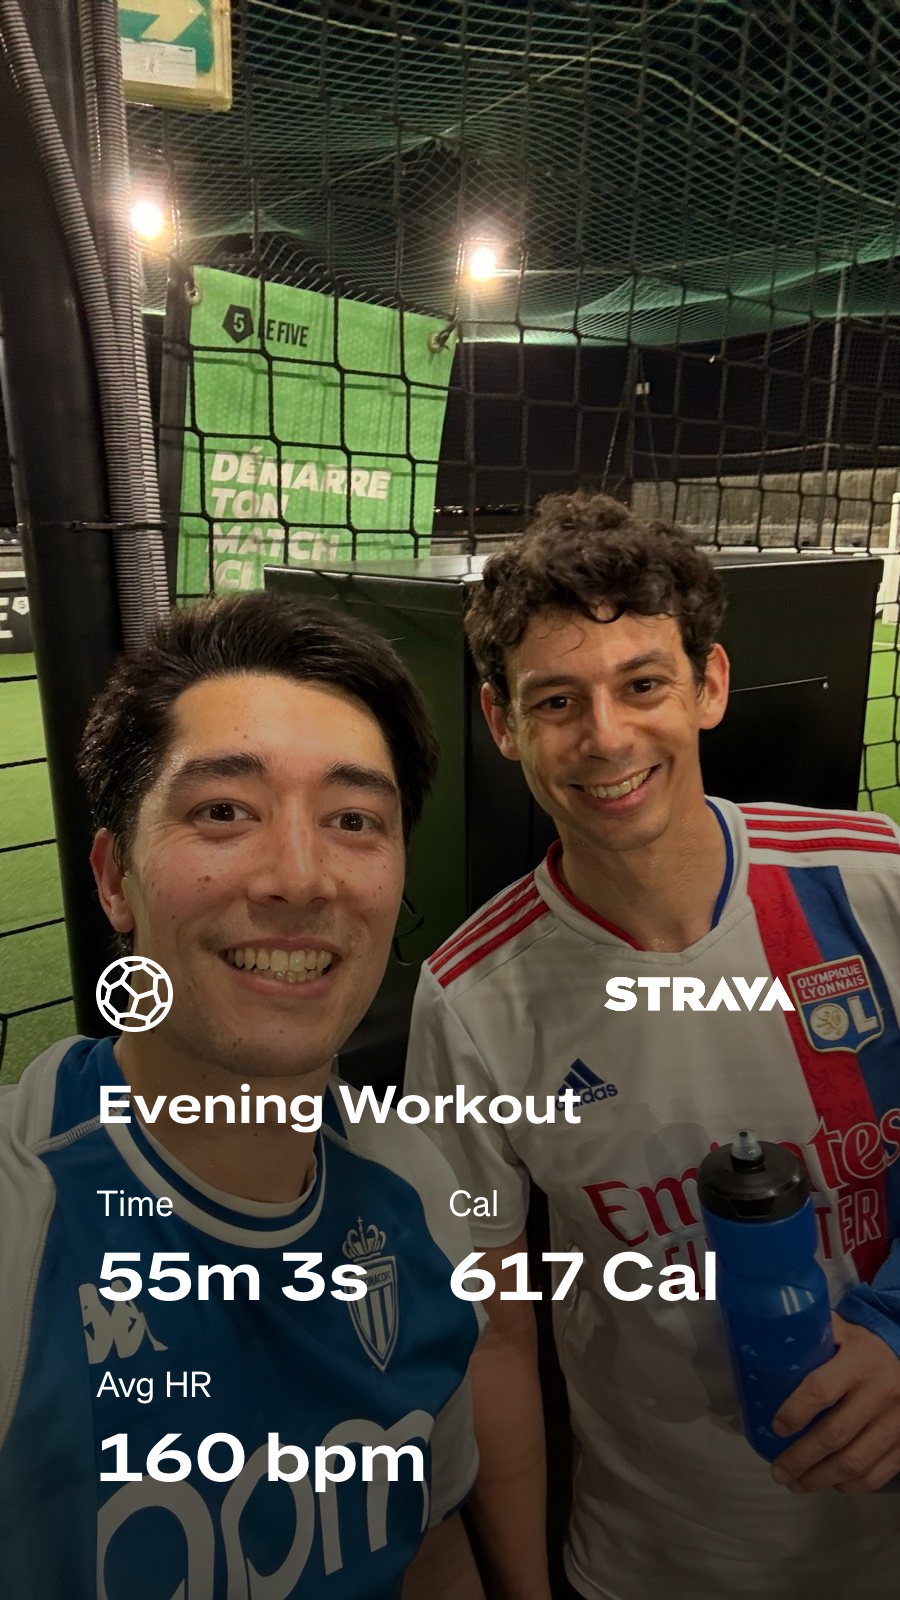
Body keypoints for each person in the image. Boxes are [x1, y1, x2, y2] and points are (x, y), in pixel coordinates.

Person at [404, 490, 900, 1600]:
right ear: (503, 724)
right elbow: (489, 1330)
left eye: (642, 684)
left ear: (708, 685)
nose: (607, 737)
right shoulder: (474, 998)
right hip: (651, 1565)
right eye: (558, 700)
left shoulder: (874, 881)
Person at [0, 592, 484, 1600]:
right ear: (114, 877)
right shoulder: (22, 1222)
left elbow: (427, 1540)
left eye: (354, 820)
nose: (301, 878)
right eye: (224, 810)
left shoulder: (422, 1192)